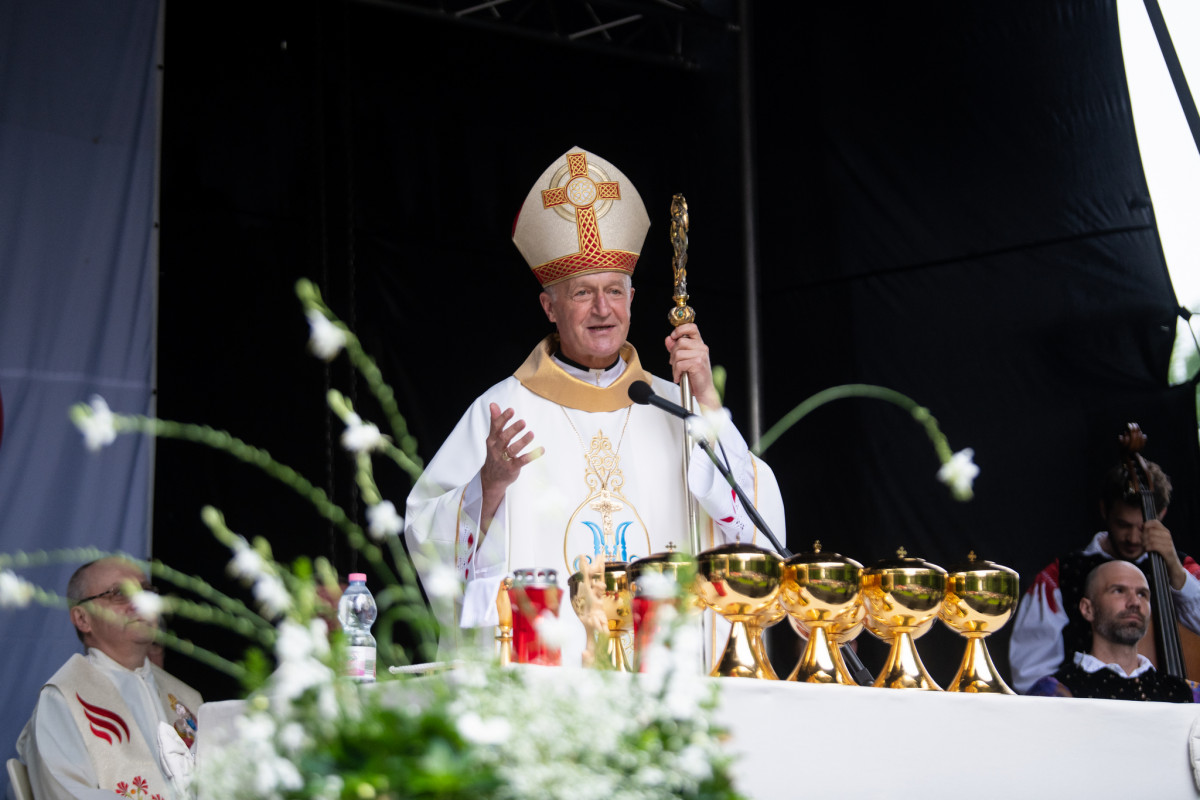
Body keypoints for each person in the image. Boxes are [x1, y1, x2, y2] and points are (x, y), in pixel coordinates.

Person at [404, 147, 785, 666]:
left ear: (632, 300)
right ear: (550, 307)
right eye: (583, 293)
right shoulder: (502, 411)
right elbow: (426, 532)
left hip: (669, 676)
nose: (603, 309)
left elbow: (758, 534)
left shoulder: (675, 405)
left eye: (614, 291)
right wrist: (487, 488)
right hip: (550, 687)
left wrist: (707, 400)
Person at [16, 557, 202, 800]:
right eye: (119, 593)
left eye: (146, 591)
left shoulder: (186, 697)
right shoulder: (63, 698)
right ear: (83, 619)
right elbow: (66, 794)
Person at [1009, 459, 1200, 693]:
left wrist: (1174, 568)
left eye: (1142, 527)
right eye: (1123, 525)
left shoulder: (1181, 569)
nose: (1132, 537)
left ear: (1161, 514)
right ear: (1104, 511)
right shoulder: (1061, 574)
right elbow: (1031, 671)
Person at [1028, 560, 1195, 701]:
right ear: (1088, 609)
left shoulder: (1184, 692)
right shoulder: (1056, 691)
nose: (1135, 602)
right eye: (1119, 591)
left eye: (1142, 594)